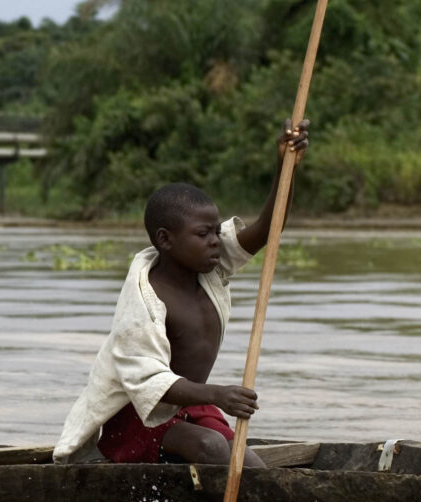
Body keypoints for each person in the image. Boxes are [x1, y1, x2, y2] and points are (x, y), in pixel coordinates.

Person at [53, 120, 310, 468]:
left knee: (253, 469)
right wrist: (218, 394)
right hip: (138, 420)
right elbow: (149, 381)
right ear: (165, 240)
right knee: (212, 448)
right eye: (203, 234)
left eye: (216, 232)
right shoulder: (144, 301)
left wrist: (285, 165)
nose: (215, 241)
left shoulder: (211, 268)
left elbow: (269, 226)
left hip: (193, 409)